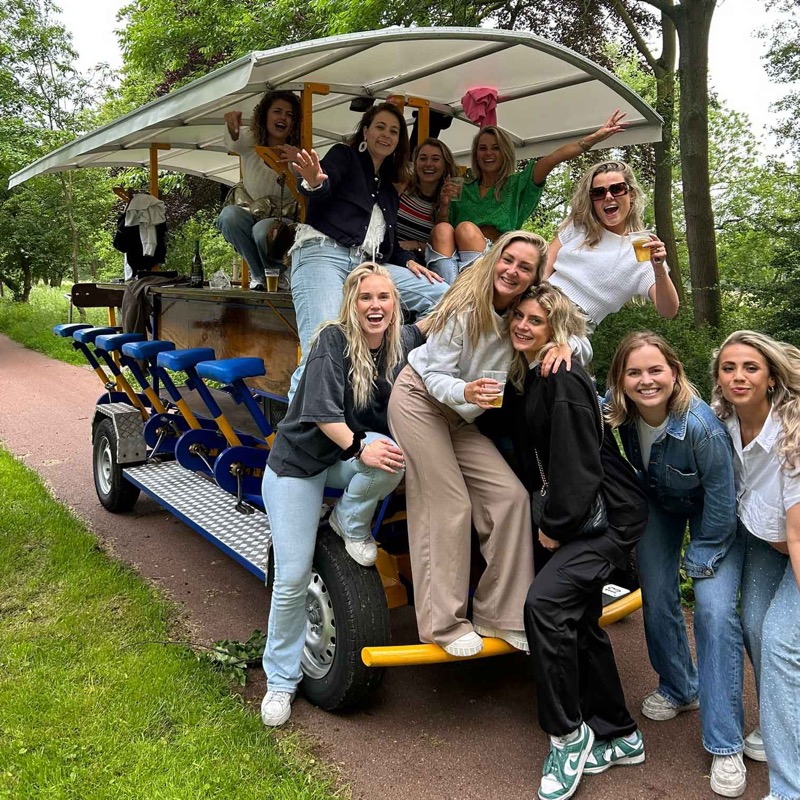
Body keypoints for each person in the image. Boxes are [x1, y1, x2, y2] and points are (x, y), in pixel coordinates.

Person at [388, 231, 585, 659]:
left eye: (524, 267)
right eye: (507, 260)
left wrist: (565, 341)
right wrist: (465, 393)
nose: (512, 271)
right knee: (449, 502)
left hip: (461, 417)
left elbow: (578, 334)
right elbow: (435, 374)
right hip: (420, 400)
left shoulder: (523, 314)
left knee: (511, 498)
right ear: (495, 258)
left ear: (534, 278)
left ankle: (502, 615)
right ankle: (443, 624)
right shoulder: (464, 306)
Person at [260, 263, 424, 728]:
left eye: (383, 298)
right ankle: (280, 680)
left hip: (340, 460)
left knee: (395, 455)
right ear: (351, 303)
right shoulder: (332, 341)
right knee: (292, 577)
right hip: (297, 465)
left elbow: (448, 317)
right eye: (365, 298)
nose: (375, 306)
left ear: (395, 305)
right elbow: (321, 414)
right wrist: (359, 447)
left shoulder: (401, 342)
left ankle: (348, 522)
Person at [506, 284, 649, 800]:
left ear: (555, 330)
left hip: (607, 519)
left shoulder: (561, 378)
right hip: (589, 514)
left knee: (544, 607)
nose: (523, 325)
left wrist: (556, 525)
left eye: (536, 321)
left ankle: (569, 735)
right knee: (581, 622)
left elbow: (578, 465)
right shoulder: (532, 373)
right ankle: (621, 733)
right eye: (518, 316)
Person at [606, 332, 746, 798]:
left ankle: (726, 745)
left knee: (711, 611)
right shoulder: (621, 410)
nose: (646, 381)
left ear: (674, 372)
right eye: (634, 372)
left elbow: (724, 502)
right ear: (621, 380)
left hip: (711, 516)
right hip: (660, 503)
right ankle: (679, 687)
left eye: (655, 370)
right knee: (656, 590)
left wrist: (701, 556)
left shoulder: (701, 427)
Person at [287, 102, 447, 398]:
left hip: (367, 267)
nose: (386, 135)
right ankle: (298, 436)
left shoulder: (388, 190)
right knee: (322, 346)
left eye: (394, 131)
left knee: (445, 296)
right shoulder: (343, 156)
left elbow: (388, 243)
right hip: (323, 254)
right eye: (380, 127)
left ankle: (399, 368)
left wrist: (409, 261)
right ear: (365, 131)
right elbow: (322, 182)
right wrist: (312, 182)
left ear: (399, 142)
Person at [711, 330, 800, 800]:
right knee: (752, 624)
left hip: (796, 547)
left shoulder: (792, 431)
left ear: (770, 378)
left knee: (784, 643)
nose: (739, 376)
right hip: (768, 544)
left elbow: (798, 533)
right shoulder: (722, 422)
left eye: (750, 367)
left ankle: (788, 790)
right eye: (729, 368)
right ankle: (779, 720)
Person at [426, 111, 628, 280]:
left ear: (504, 152)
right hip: (457, 264)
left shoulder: (517, 184)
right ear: (476, 154)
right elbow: (445, 230)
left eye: (495, 148)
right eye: (483, 148)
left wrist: (593, 138)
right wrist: (444, 205)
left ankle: (469, 291)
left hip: (496, 259)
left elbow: (553, 159)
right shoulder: (464, 188)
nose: (488, 153)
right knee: (443, 228)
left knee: (466, 229)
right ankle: (449, 296)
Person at [543, 160, 679, 332]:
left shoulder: (642, 248)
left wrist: (658, 268)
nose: (608, 196)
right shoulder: (579, 226)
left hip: (574, 323)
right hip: (541, 300)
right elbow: (542, 267)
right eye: (598, 192)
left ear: (631, 195)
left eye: (617, 189)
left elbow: (669, 311)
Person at [215, 90, 302, 290]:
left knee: (262, 230)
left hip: (284, 223)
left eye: (289, 115)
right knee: (229, 216)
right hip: (251, 213)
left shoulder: (297, 153)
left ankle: (278, 275)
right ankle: (259, 276)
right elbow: (235, 141)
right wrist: (233, 127)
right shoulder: (252, 143)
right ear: (265, 116)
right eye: (277, 112)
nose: (283, 118)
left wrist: (300, 162)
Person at [395, 137, 460, 282]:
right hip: (391, 257)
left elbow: (443, 247)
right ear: (416, 162)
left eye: (435, 159)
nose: (428, 164)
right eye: (423, 158)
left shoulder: (451, 200)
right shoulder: (402, 187)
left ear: (445, 165)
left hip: (423, 267)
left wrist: (414, 245)